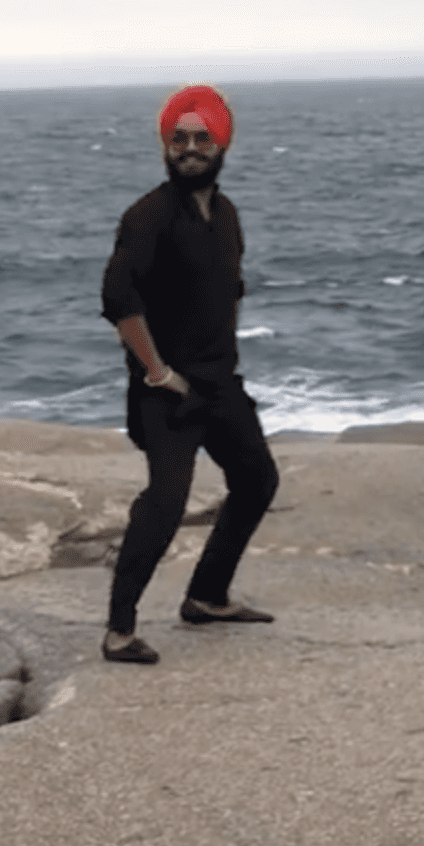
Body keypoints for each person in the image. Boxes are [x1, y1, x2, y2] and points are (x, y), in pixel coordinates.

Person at [98, 84, 281, 665]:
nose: (190, 148)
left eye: (202, 138)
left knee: (256, 480)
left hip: (219, 384)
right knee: (166, 500)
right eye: (179, 139)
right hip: (167, 392)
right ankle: (119, 632)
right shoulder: (147, 217)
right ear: (165, 147)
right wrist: (156, 371)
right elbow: (118, 299)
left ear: (221, 145)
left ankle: (207, 596)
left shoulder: (226, 215)